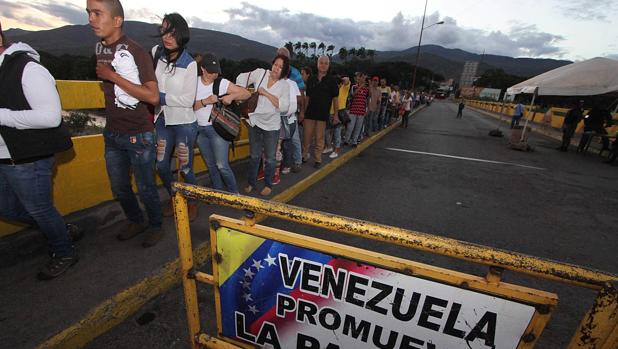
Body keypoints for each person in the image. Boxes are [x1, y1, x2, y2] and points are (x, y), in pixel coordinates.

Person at [0, 22, 81, 279]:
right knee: (7, 208)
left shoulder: (29, 69)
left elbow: (50, 117)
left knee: (39, 209)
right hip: (6, 155)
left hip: (29, 159)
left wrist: (2, 116)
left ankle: (64, 251)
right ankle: (60, 228)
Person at [87, 0, 163, 248]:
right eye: (89, 13)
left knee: (146, 187)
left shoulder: (136, 51)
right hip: (113, 134)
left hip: (138, 135)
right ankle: (136, 220)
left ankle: (156, 226)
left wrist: (113, 77)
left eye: (98, 13)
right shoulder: (101, 48)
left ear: (117, 20)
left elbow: (152, 96)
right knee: (119, 187)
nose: (91, 18)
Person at [152, 13, 199, 222]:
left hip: (184, 124)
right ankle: (175, 198)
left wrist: (159, 97)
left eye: (172, 32)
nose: (167, 36)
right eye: (164, 30)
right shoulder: (156, 54)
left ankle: (192, 201)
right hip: (162, 119)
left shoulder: (190, 64)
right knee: (161, 165)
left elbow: (188, 100)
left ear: (182, 35)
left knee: (185, 167)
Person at [194, 53, 250, 194]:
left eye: (216, 72)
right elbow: (188, 106)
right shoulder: (193, 83)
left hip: (217, 129)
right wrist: (205, 101)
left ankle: (234, 195)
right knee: (211, 165)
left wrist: (231, 96)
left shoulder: (221, 83)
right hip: (199, 130)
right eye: (211, 72)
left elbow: (246, 94)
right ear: (203, 69)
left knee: (221, 165)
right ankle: (218, 193)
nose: (214, 75)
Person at [236, 55, 290, 196]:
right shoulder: (261, 73)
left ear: (284, 71)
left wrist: (265, 93)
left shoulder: (285, 85)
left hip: (272, 126)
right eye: (275, 64)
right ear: (272, 64)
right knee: (254, 156)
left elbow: (284, 107)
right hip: (255, 122)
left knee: (270, 157)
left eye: (280, 67)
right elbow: (242, 77)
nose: (276, 68)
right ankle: (251, 183)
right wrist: (243, 91)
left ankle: (268, 184)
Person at [302, 56, 339, 168]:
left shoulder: (332, 81)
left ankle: (318, 159)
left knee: (319, 138)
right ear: (317, 64)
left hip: (323, 115)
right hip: (309, 114)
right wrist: (303, 112)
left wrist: (336, 115)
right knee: (306, 137)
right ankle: (303, 156)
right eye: (321, 63)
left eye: (326, 63)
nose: (323, 65)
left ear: (329, 65)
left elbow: (335, 99)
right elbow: (307, 97)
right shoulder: (311, 79)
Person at [324, 76, 350, 158]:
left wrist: (340, 79)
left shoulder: (344, 88)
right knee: (326, 131)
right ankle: (329, 147)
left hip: (338, 113)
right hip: (329, 113)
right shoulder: (330, 90)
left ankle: (337, 150)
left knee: (337, 133)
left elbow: (347, 80)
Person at [344, 72, 369, 147]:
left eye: (364, 78)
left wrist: (367, 109)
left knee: (358, 128)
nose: (363, 79)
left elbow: (368, 98)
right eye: (362, 77)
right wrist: (361, 85)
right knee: (350, 127)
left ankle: (354, 141)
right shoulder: (354, 86)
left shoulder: (366, 89)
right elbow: (353, 94)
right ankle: (346, 140)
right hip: (353, 110)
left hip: (361, 111)